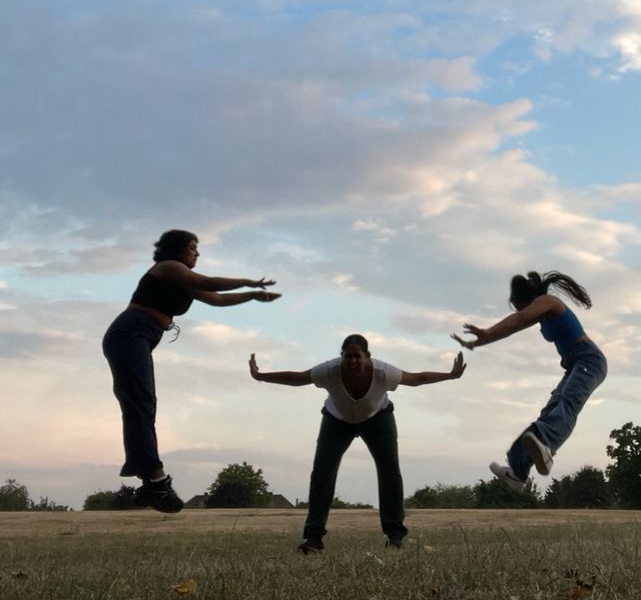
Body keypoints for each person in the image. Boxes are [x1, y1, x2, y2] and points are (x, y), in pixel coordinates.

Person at [103, 229, 280, 513]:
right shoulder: (169, 268)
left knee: (142, 405)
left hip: (139, 336)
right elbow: (210, 282)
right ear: (177, 249)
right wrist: (249, 282)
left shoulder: (182, 279)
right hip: (130, 333)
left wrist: (251, 297)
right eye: (193, 248)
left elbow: (217, 298)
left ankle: (151, 479)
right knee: (140, 403)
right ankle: (155, 480)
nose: (197, 253)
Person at [249, 334, 466, 553]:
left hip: (378, 418)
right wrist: (260, 375)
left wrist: (450, 375)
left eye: (357, 357)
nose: (352, 362)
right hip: (336, 421)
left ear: (367, 357)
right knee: (322, 472)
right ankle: (313, 538)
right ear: (341, 356)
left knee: (389, 470)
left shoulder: (383, 373)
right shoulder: (328, 371)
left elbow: (417, 378)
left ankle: (395, 534)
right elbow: (297, 378)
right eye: (347, 357)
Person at [451, 270, 606, 492]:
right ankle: (517, 472)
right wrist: (480, 341)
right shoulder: (539, 313)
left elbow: (519, 318)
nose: (517, 310)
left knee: (566, 402)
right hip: (575, 364)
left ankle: (547, 445)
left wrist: (486, 331)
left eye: (516, 305)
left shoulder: (547, 302)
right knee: (550, 409)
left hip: (589, 360)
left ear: (521, 299)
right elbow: (512, 327)